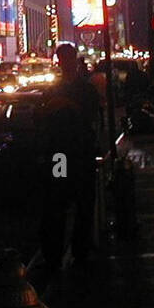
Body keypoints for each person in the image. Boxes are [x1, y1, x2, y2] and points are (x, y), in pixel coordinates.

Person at [39, 43, 102, 268]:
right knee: (59, 202)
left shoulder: (84, 89)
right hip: (62, 153)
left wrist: (65, 105)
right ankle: (58, 253)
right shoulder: (55, 90)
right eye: (62, 59)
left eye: (67, 58)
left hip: (78, 151)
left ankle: (78, 250)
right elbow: (42, 120)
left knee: (81, 202)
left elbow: (91, 117)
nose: (65, 63)